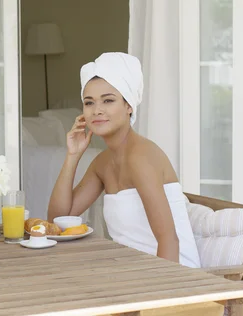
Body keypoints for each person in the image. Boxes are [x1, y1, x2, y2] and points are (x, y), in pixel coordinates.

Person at [47, 52, 200, 268]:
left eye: (108, 100)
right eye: (89, 103)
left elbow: (169, 241)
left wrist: (162, 299)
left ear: (129, 106)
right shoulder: (102, 163)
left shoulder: (141, 157)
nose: (97, 110)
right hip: (131, 273)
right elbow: (58, 220)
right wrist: (73, 155)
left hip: (171, 277)